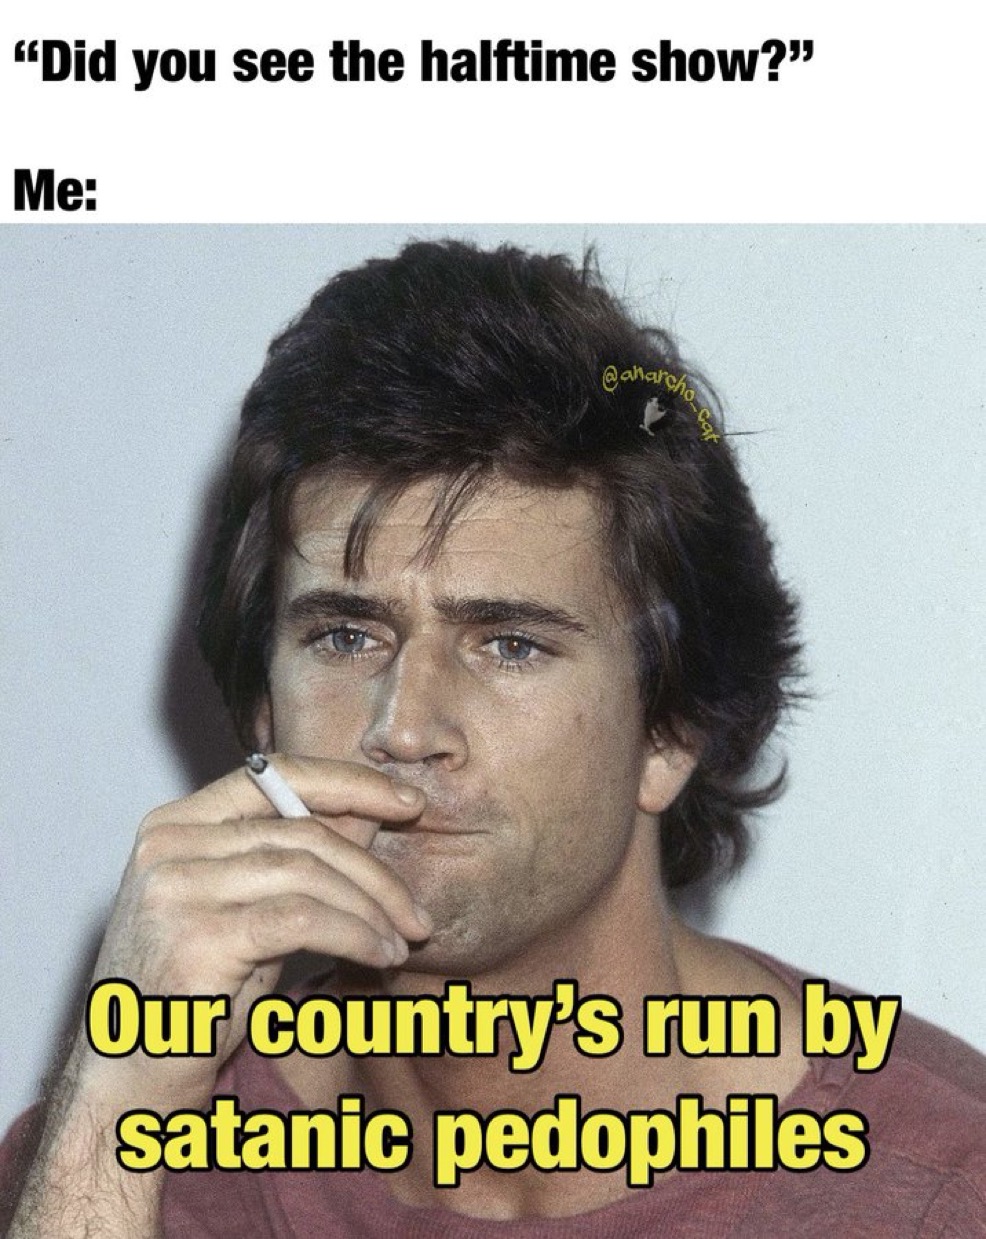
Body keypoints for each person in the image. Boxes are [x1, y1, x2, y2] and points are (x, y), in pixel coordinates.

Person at [3, 240, 984, 1237]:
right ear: (261, 707)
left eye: (510, 645)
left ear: (669, 728)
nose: (403, 728)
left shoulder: (937, 1188)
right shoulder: (115, 1155)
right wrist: (111, 1108)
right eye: (345, 637)